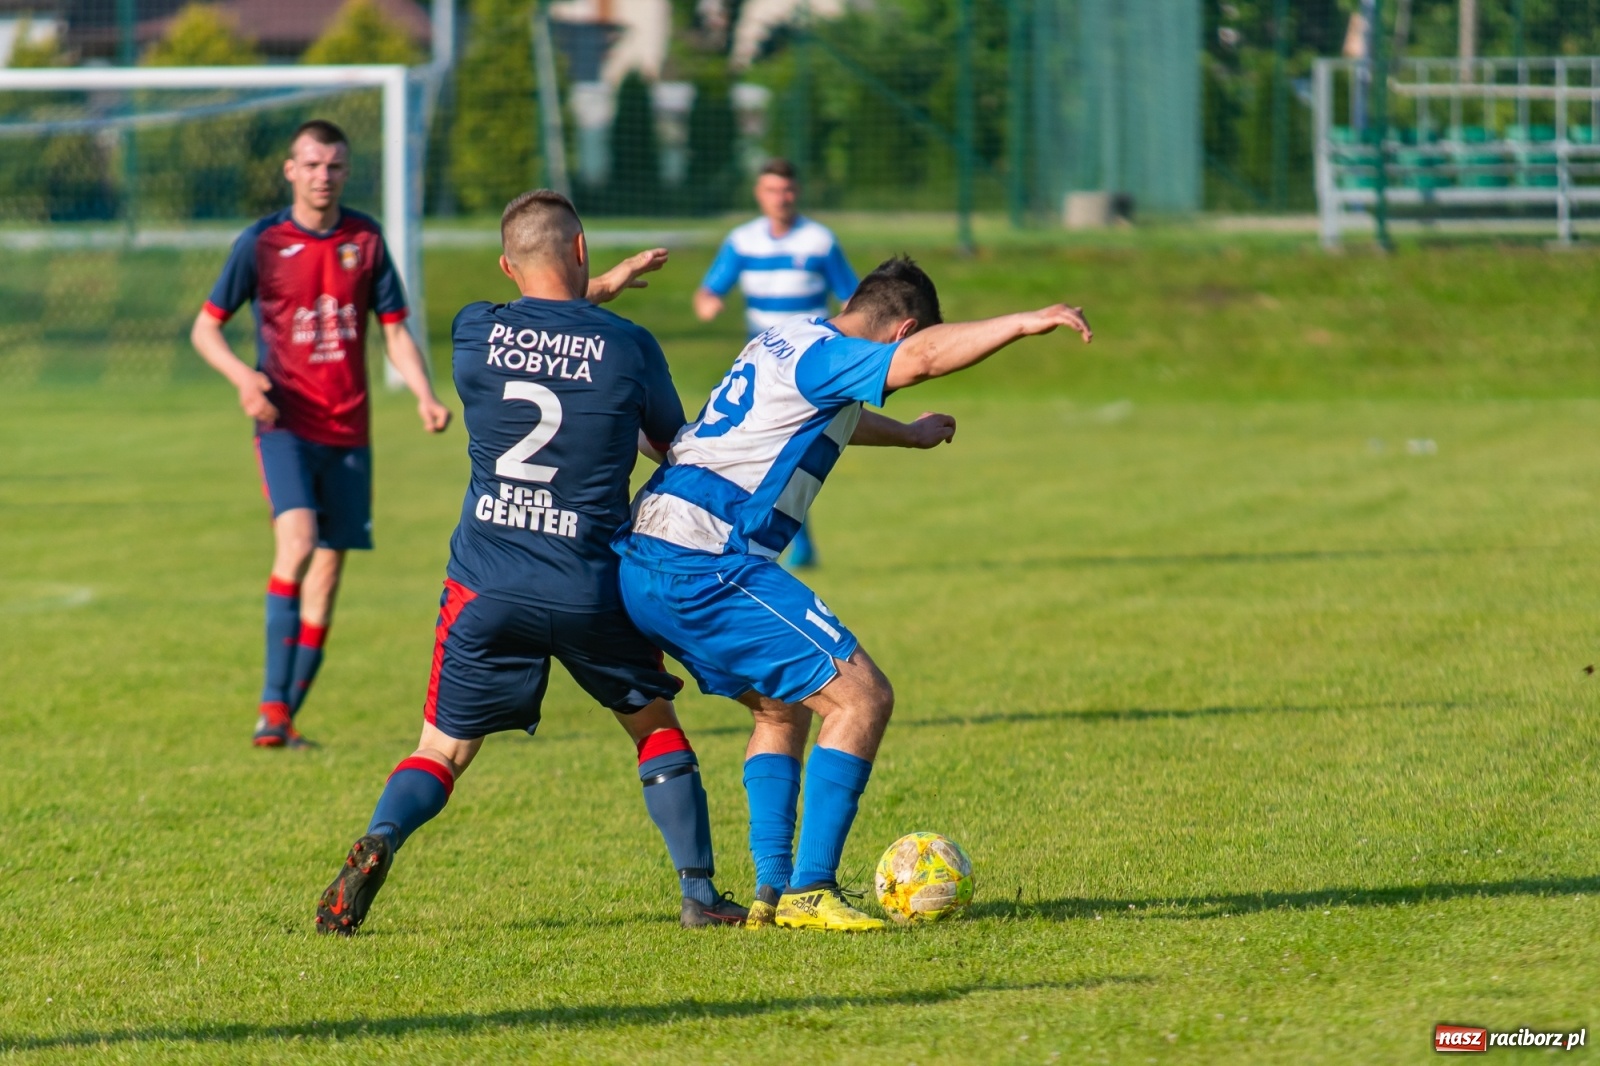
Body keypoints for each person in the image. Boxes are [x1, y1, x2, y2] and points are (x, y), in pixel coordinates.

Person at [315, 190, 748, 936]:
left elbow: (542, 332)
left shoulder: (473, 331)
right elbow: (669, 443)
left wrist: (586, 291)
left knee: (442, 750)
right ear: (582, 251)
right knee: (652, 725)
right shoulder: (628, 346)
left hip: (487, 581)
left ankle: (382, 837)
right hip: (590, 582)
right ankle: (700, 891)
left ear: (506, 266)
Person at [616, 256, 1092, 931]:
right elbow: (923, 361)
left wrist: (908, 433)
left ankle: (773, 893)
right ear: (899, 330)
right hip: (705, 558)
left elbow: (832, 415)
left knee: (783, 708)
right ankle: (813, 889)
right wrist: (1025, 320)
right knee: (863, 697)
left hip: (648, 556)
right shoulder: (831, 354)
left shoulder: (786, 339)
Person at [191, 119, 452, 750]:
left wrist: (424, 393)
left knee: (329, 571)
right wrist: (243, 379)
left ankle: (281, 718)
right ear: (290, 170)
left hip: (349, 429)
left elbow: (393, 329)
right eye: (311, 164)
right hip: (283, 423)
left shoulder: (365, 238)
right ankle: (270, 706)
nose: (322, 176)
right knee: (300, 540)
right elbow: (205, 328)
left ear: (345, 171)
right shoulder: (261, 243)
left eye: (334, 165)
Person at [692, 158, 857, 569]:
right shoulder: (744, 241)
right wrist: (708, 302)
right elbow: (710, 289)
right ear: (759, 194)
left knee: (791, 450)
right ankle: (784, 541)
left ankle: (782, 541)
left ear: (796, 193)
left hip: (812, 365)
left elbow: (852, 297)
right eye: (771, 190)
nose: (780, 198)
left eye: (786, 190)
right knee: (777, 453)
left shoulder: (819, 241)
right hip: (764, 366)